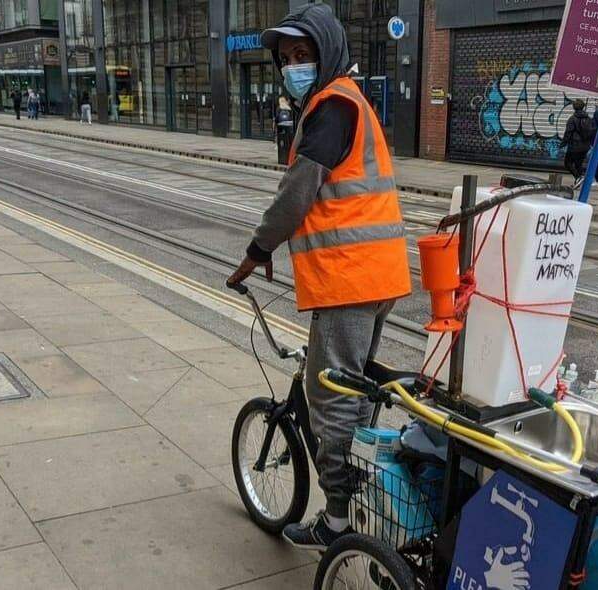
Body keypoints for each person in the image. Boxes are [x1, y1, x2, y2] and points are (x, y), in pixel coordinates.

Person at [226, 3, 411, 550]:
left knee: (329, 400)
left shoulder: (330, 107)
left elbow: (296, 197)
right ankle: (362, 491)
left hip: (349, 281)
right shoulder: (348, 103)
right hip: (378, 277)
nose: (291, 66)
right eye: (285, 58)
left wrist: (257, 250)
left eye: (302, 54)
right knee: (353, 393)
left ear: (326, 52)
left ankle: (337, 523)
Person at [561, 99, 595, 188]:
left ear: (574, 107)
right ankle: (579, 181)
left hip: (574, 146)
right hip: (585, 146)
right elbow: (592, 131)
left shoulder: (572, 119)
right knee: (578, 164)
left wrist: (563, 143)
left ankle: (578, 177)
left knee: (567, 163)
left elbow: (568, 132)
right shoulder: (589, 119)